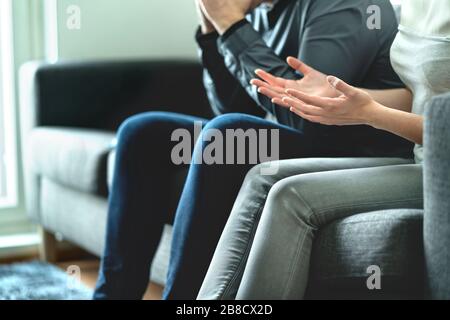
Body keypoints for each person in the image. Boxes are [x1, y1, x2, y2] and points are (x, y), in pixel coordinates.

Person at [94, 0, 411, 299]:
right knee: (142, 134)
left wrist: (232, 27)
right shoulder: (259, 10)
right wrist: (211, 30)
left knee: (225, 135)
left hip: (352, 146)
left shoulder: (340, 5)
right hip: (298, 136)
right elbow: (231, 108)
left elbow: (310, 117)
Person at [198, 0, 450, 299]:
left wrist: (372, 114)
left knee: (289, 195)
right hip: (420, 159)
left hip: (441, 174)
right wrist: (346, 99)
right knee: (265, 176)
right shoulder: (416, 6)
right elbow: (426, 97)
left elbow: (442, 122)